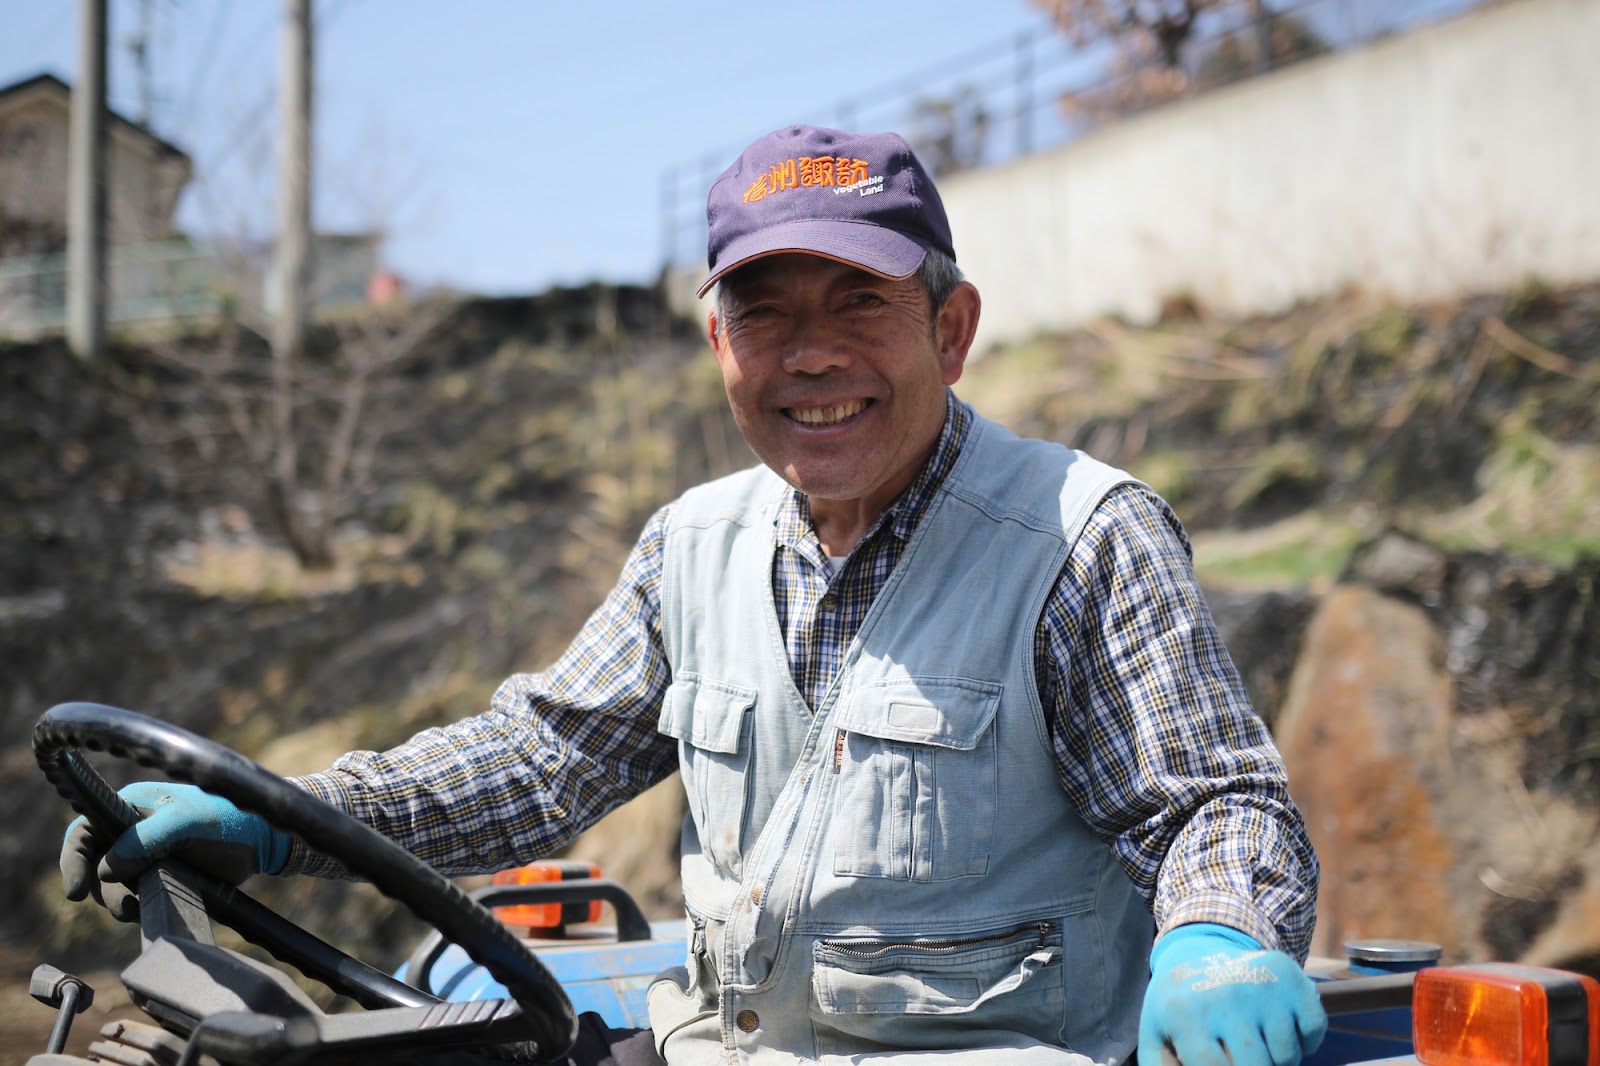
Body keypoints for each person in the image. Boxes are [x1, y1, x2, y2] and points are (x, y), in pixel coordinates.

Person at [62, 125, 1326, 1066]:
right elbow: (535, 761)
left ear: (950, 330)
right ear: (720, 347)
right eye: (765, 315)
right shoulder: (693, 546)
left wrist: (1217, 935)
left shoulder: (1078, 539)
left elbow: (1211, 802)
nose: (812, 353)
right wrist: (283, 814)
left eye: (860, 303)